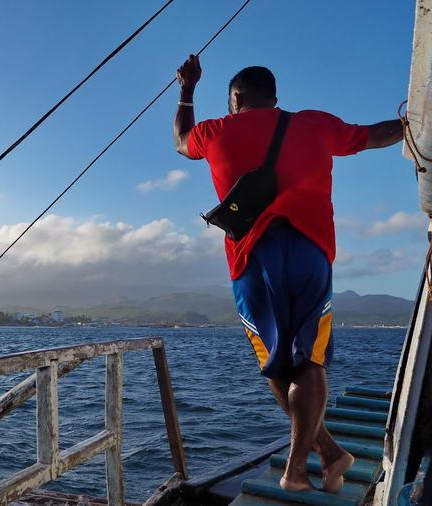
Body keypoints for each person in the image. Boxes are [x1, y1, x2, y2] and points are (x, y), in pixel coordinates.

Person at [173, 55, 403, 492]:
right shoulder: (313, 124)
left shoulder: (215, 131)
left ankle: (299, 467)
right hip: (309, 251)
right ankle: (327, 454)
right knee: (308, 358)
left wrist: (187, 89)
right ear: (276, 100)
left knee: (275, 365)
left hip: (249, 259)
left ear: (235, 99)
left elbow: (181, 138)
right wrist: (414, 124)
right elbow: (374, 136)